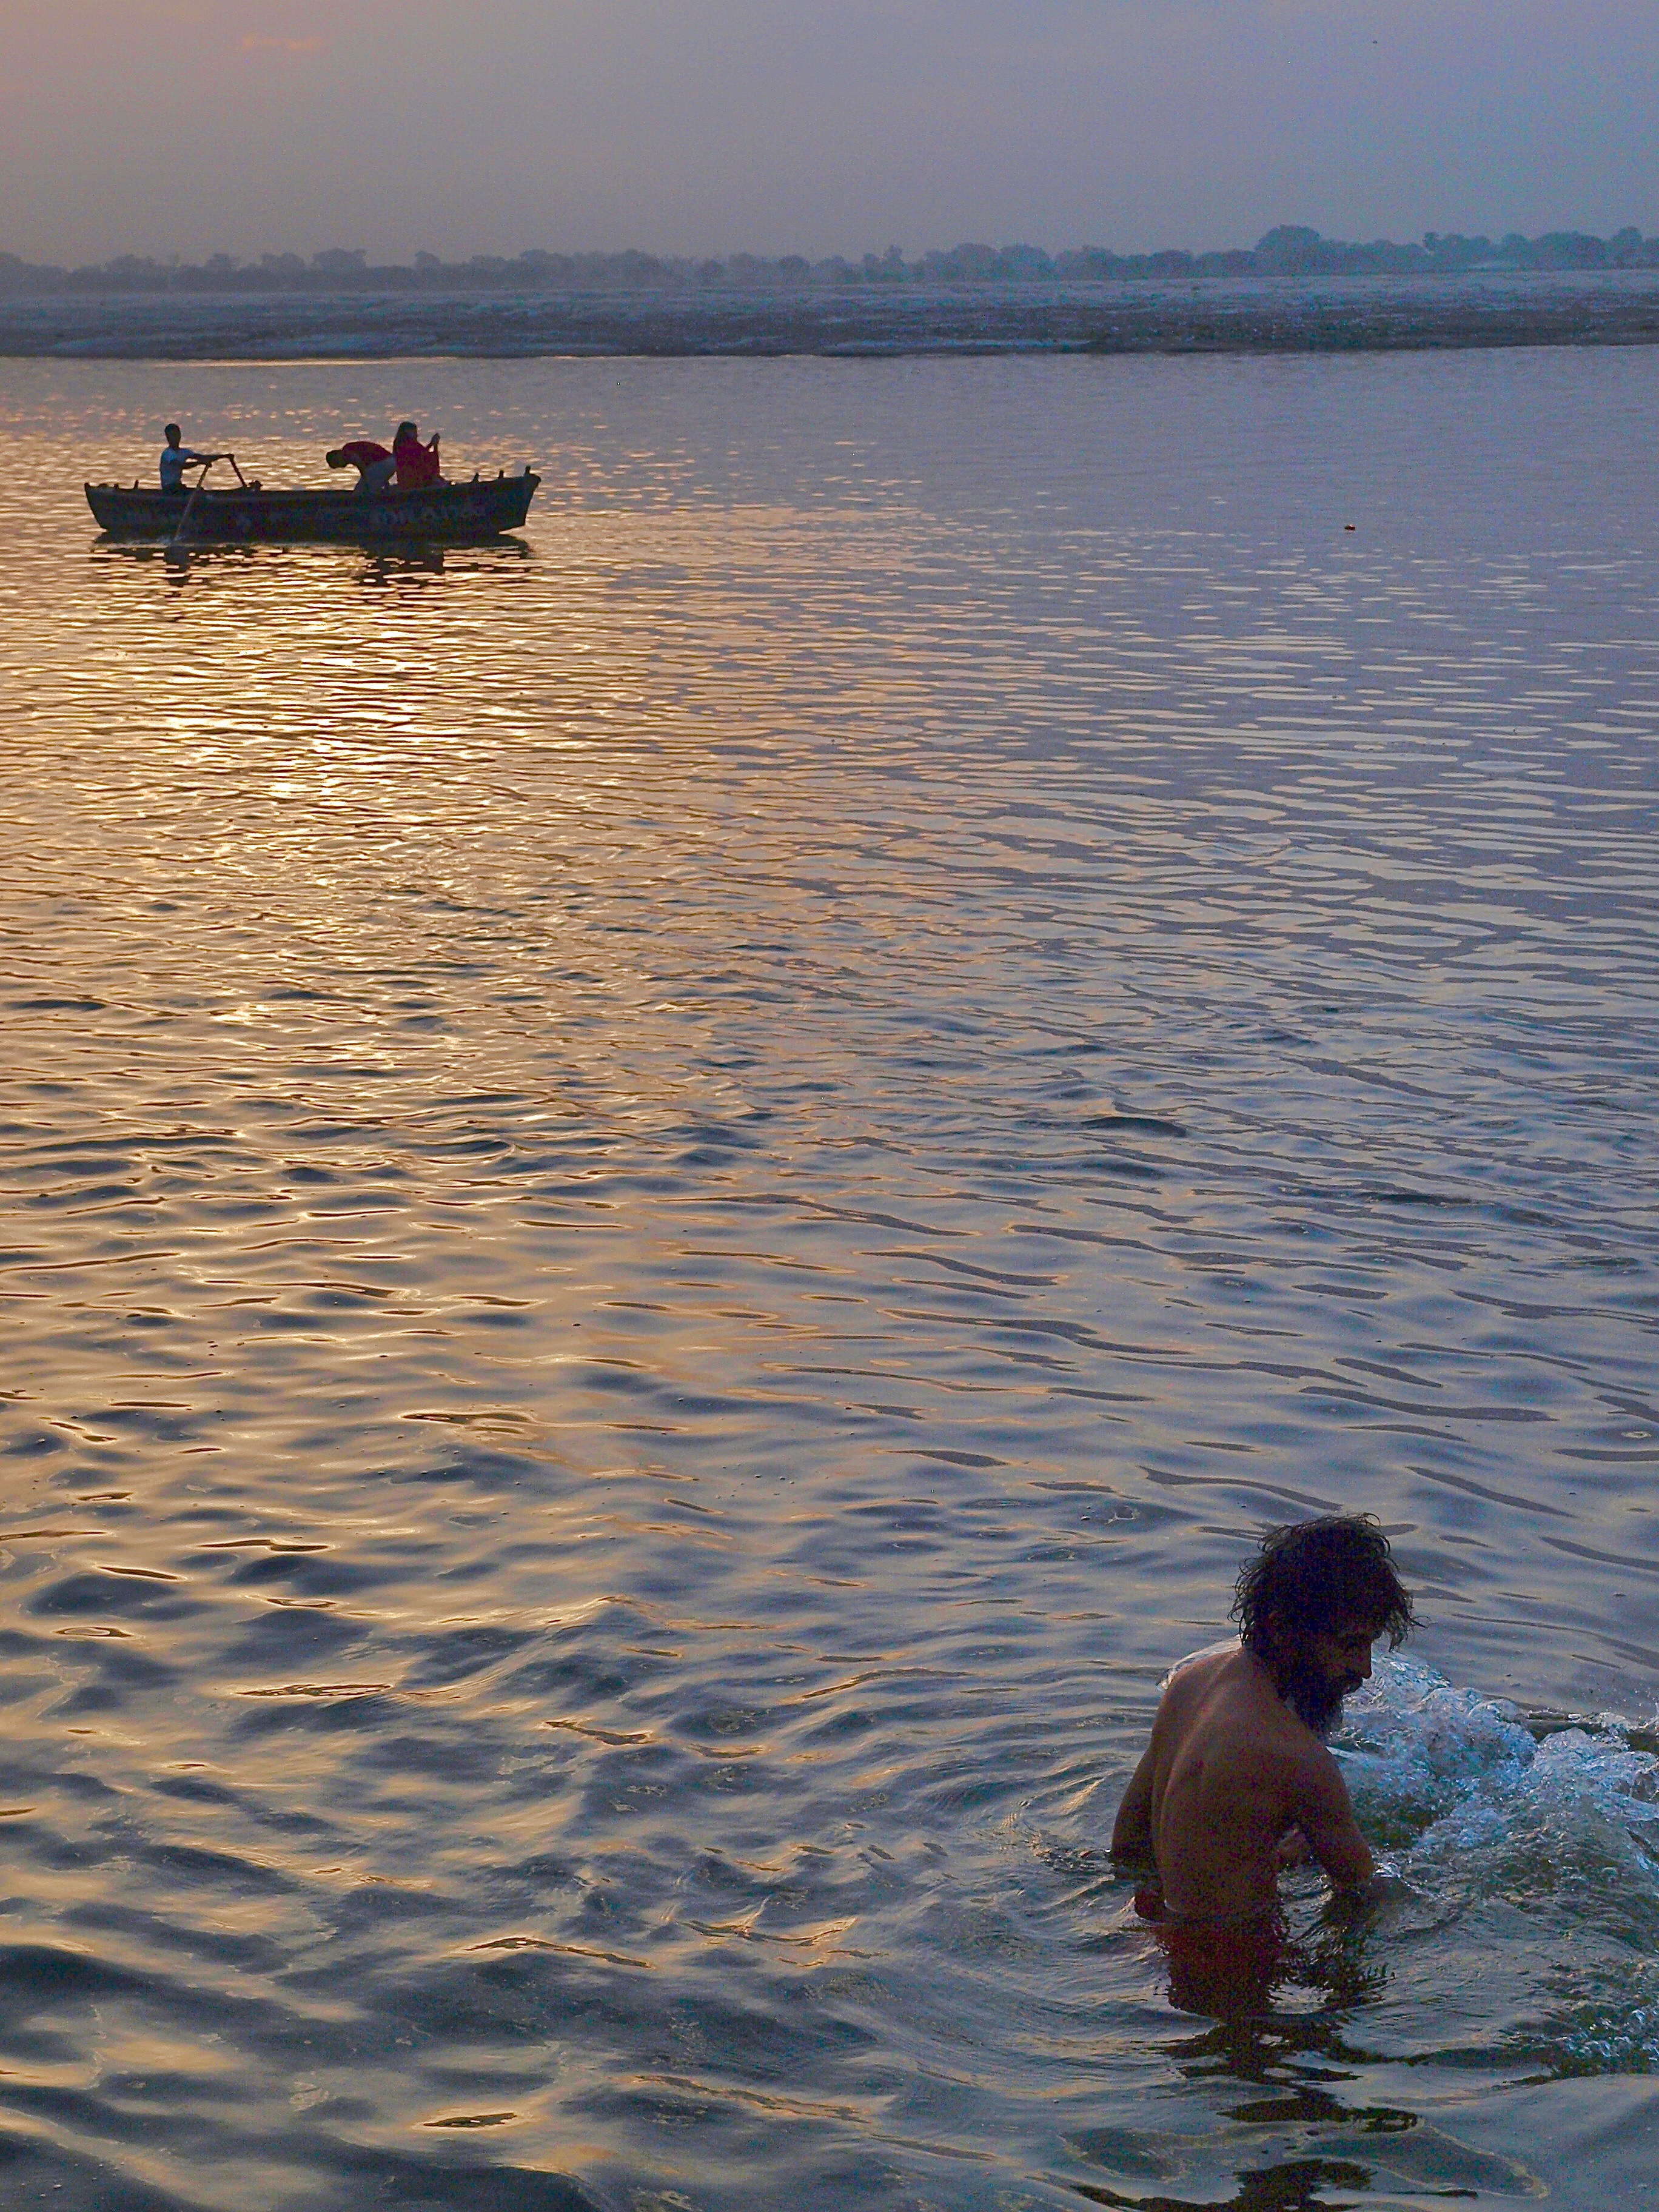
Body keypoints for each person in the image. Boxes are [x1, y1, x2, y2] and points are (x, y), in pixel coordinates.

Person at [1111, 1513, 1414, 2013]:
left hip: (1154, 1948)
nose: (1364, 1669)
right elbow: (1367, 1893)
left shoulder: (1190, 1684)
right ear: (1282, 1629)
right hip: (1235, 1972)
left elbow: (1128, 1848)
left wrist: (1253, 1859)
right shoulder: (1295, 1757)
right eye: (1350, 1645)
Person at [159, 423, 222, 492]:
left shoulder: (184, 452)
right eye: (173, 435)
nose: (176, 438)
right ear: (168, 438)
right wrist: (200, 463)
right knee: (197, 492)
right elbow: (182, 466)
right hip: (168, 488)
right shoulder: (168, 453)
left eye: (177, 435)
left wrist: (223, 456)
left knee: (200, 491)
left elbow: (203, 457)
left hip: (178, 486)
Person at [326, 439, 397, 494]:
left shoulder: (346, 452)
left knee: (367, 491)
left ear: (337, 456)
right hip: (391, 462)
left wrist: (367, 480)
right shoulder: (350, 449)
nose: (341, 467)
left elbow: (359, 463)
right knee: (362, 490)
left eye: (337, 464)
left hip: (385, 462)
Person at [392, 420, 442, 488]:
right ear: (406, 431)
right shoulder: (404, 445)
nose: (416, 434)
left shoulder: (410, 444)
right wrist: (433, 445)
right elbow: (419, 456)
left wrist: (433, 445)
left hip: (414, 478)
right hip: (412, 479)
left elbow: (422, 453)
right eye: (414, 432)